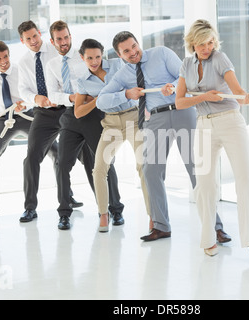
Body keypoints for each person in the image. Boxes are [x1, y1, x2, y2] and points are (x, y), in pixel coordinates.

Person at [97, 31, 231, 243]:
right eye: (126, 51)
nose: (133, 52)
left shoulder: (161, 53)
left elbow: (187, 78)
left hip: (182, 111)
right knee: (151, 170)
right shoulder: (123, 75)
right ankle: (161, 226)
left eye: (134, 46)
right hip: (156, 119)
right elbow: (101, 101)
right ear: (120, 55)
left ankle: (215, 228)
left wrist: (177, 87)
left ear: (137, 43)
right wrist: (126, 94)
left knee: (196, 169)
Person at [175, 19, 249, 263]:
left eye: (210, 42)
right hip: (204, 125)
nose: (207, 47)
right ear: (192, 44)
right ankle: (208, 239)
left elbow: (237, 91)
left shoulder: (220, 59)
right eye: (202, 44)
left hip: (230, 121)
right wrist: (204, 97)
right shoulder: (186, 64)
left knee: (244, 178)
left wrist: (246, 98)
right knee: (204, 185)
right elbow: (179, 102)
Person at [46, 21, 124, 230]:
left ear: (70, 36)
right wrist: (73, 97)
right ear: (52, 41)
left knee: (103, 163)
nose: (63, 42)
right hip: (71, 116)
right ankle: (64, 213)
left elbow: (102, 87)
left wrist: (95, 98)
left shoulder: (90, 57)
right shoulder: (53, 64)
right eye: (59, 39)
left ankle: (115, 209)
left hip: (94, 116)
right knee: (62, 164)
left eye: (66, 37)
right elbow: (52, 94)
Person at [75, 38, 151, 232]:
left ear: (104, 54)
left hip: (133, 118)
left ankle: (153, 215)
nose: (94, 61)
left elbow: (137, 84)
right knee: (99, 168)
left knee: (143, 165)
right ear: (82, 58)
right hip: (110, 123)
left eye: (98, 56)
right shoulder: (82, 82)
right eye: (90, 58)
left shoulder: (118, 64)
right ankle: (103, 214)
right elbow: (78, 112)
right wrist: (100, 99)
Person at [17, 20, 83, 224]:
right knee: (31, 157)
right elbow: (23, 90)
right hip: (44, 113)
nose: (33, 41)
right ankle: (30, 208)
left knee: (83, 155)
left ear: (40, 34)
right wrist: (35, 98)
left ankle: (86, 201)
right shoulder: (23, 63)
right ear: (23, 41)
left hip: (67, 109)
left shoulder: (56, 50)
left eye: (35, 36)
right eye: (28, 39)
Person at [0, 41, 46, 219]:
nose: (4, 61)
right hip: (3, 119)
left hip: (27, 115)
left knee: (54, 148)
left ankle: (68, 196)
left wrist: (26, 103)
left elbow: (35, 91)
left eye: (6, 56)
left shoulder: (21, 70)